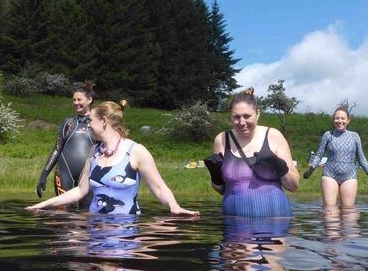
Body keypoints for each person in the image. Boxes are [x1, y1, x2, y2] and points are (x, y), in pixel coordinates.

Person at [27, 100, 198, 216]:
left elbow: (159, 188)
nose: (88, 127)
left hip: (125, 231)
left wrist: (174, 206)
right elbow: (80, 190)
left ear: (103, 121)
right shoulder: (93, 151)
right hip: (95, 231)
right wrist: (43, 205)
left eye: (90, 122)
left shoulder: (136, 151)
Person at [204, 88, 299, 217]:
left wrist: (278, 164)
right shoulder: (222, 139)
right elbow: (221, 190)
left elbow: (293, 186)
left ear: (257, 114)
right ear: (230, 116)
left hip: (275, 223)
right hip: (234, 225)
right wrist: (215, 175)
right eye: (236, 117)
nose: (242, 122)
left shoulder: (273, 136)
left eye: (247, 116)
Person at [303, 107, 368, 208]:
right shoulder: (328, 135)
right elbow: (319, 154)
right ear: (333, 120)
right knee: (329, 211)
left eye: (343, 118)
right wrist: (310, 170)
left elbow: (361, 157)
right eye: (337, 118)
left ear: (348, 120)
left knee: (348, 212)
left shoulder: (354, 136)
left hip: (349, 176)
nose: (340, 121)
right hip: (330, 175)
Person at [37, 82, 95, 198]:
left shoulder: (96, 123)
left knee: (86, 214)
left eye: (79, 100)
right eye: (74, 100)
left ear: (89, 100)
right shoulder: (68, 123)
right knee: (62, 213)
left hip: (88, 173)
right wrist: (44, 174)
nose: (76, 103)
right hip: (64, 172)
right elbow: (57, 149)